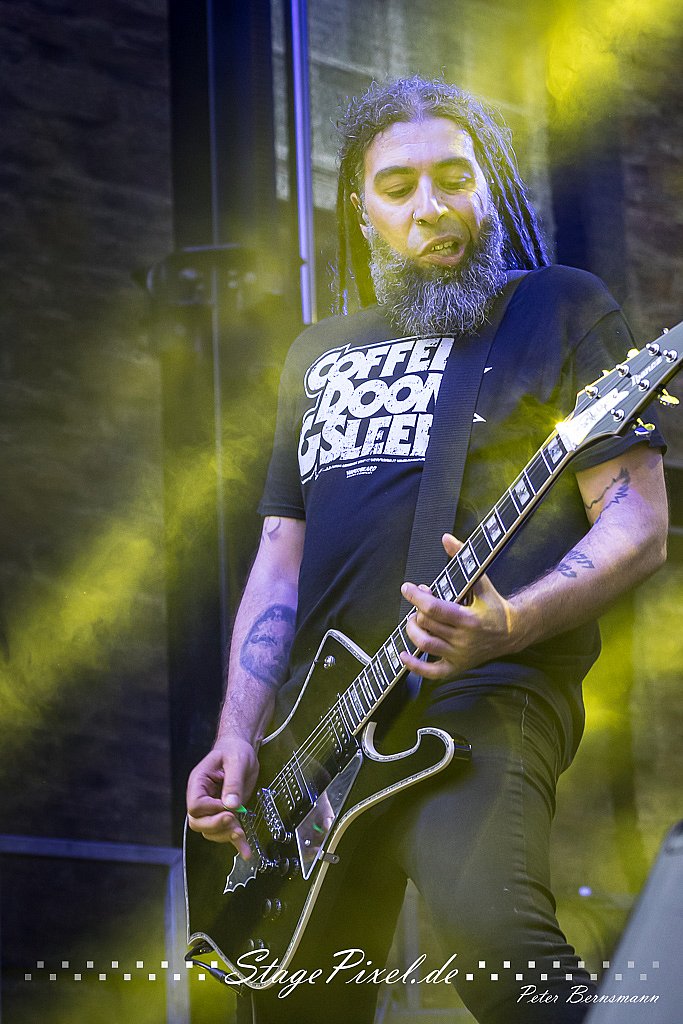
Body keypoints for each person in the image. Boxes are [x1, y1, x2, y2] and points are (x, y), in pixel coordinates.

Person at [186, 76, 668, 1023]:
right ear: (360, 208)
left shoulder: (558, 307)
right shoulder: (316, 353)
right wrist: (239, 734)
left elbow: (637, 524)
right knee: (296, 1008)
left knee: (496, 945)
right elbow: (279, 559)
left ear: (488, 185)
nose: (431, 206)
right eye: (398, 187)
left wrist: (509, 623)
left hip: (484, 691)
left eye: (453, 177)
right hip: (316, 742)